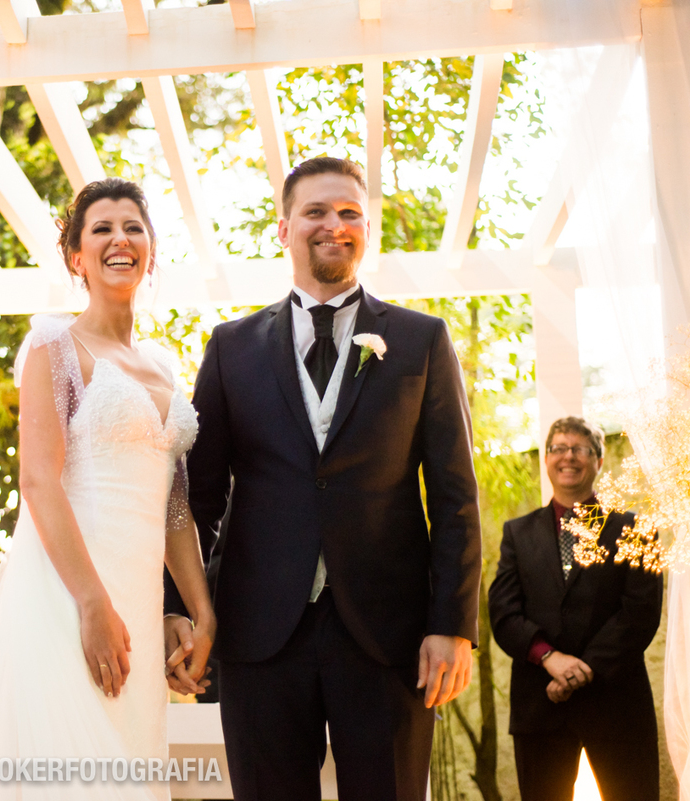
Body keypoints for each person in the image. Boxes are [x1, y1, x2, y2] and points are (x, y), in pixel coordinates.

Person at [163, 156, 481, 800]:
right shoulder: (231, 347)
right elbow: (195, 497)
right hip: (257, 633)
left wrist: (452, 625)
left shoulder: (422, 341)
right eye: (315, 211)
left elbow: (453, 495)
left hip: (388, 635)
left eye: (349, 213)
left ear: (367, 228)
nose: (333, 225)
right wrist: (178, 607)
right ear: (283, 229)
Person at [0, 178, 216, 801]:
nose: (120, 240)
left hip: (136, 606)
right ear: (76, 257)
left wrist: (201, 610)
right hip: (70, 600)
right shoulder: (54, 345)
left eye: (133, 228)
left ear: (152, 249)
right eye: (101, 229)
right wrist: (91, 605)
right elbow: (38, 481)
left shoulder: (163, 367)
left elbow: (174, 507)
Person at [488, 417, 662, 801]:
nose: (568, 457)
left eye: (580, 449)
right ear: (546, 459)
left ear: (598, 461)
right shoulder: (517, 534)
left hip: (617, 706)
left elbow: (640, 613)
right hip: (540, 706)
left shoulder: (634, 529)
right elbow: (503, 611)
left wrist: (581, 672)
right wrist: (549, 658)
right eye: (558, 448)